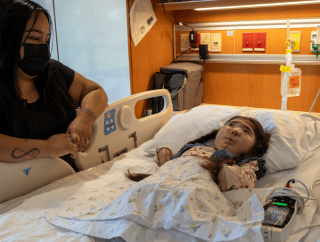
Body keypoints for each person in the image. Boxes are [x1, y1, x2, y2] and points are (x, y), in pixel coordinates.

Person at [0, 0, 108, 171]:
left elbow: (95, 91)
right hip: (21, 192)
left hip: (67, 181)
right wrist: (47, 147)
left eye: (47, 39)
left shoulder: (54, 73)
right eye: (34, 38)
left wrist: (85, 118)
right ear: (8, 39)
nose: (43, 47)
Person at [126, 116, 271, 192]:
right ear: (217, 133)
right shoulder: (194, 149)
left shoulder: (247, 164)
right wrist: (164, 153)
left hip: (196, 193)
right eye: (231, 124)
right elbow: (171, 162)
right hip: (164, 184)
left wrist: (225, 170)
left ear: (254, 148)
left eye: (246, 131)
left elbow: (246, 180)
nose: (235, 130)